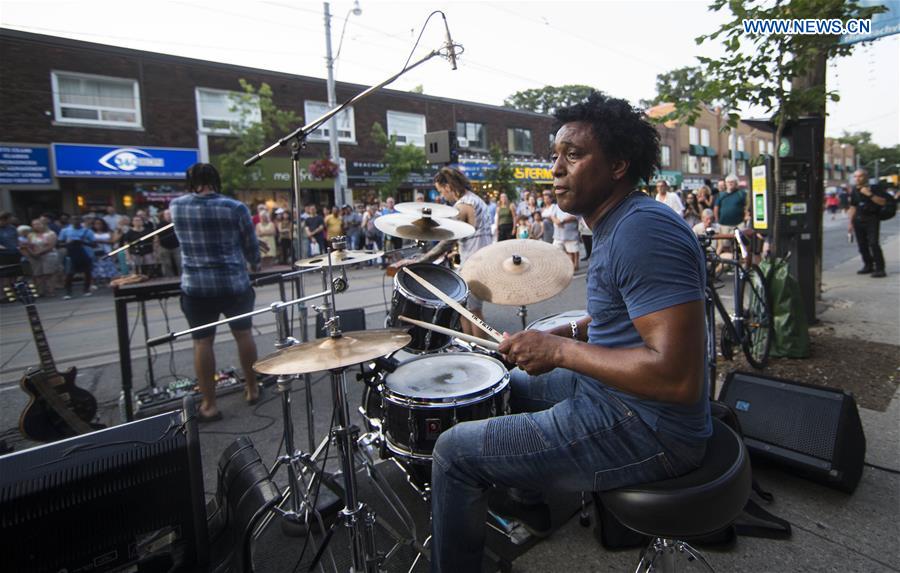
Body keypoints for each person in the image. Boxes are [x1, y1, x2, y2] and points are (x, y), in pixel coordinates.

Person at [430, 92, 709, 572]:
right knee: (505, 386)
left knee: (453, 453)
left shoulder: (642, 232)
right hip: (618, 394)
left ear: (618, 164)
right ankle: (531, 500)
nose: (555, 168)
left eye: (573, 155)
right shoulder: (618, 221)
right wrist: (577, 325)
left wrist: (559, 349)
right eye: (555, 155)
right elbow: (627, 320)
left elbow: (676, 378)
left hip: (651, 427)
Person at [170, 163, 261, 422]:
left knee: (202, 342)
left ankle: (209, 404)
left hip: (196, 287)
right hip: (233, 283)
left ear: (191, 182)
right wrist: (254, 260)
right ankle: (252, 388)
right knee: (243, 334)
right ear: (216, 180)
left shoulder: (176, 207)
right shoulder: (235, 208)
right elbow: (250, 247)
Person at [390, 167, 493, 337]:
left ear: (448, 186)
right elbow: (473, 234)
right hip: (480, 258)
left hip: (473, 264)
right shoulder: (476, 200)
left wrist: (423, 259)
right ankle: (472, 346)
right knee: (462, 310)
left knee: (473, 313)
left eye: (440, 191)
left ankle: (483, 351)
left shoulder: (463, 205)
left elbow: (448, 241)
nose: (443, 196)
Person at [848, 168, 887, 278]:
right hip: (858, 220)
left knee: (873, 243)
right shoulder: (854, 190)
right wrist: (850, 222)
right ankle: (868, 265)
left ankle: (880, 268)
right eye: (855, 176)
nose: (857, 179)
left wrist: (869, 194)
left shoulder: (875, 188)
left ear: (866, 177)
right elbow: (853, 206)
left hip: (872, 219)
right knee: (862, 245)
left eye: (860, 176)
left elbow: (882, 202)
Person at [58, 215, 96, 299]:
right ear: (71, 221)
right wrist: (69, 243)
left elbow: (94, 244)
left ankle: (86, 289)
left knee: (87, 272)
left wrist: (82, 242)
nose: (76, 221)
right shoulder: (65, 231)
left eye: (78, 219)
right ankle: (68, 292)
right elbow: (59, 244)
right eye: (74, 219)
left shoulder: (87, 231)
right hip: (71, 254)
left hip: (85, 253)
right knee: (69, 273)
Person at [21, 219, 59, 296]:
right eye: (34, 225)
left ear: (43, 224)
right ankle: (40, 291)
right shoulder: (31, 235)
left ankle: (51, 290)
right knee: (38, 274)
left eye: (38, 224)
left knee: (49, 273)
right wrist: (32, 253)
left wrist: (39, 252)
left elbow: (51, 245)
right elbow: (28, 245)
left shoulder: (51, 234)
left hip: (48, 255)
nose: (36, 226)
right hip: (35, 256)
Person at [549, 199, 581, 270]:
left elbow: (576, 216)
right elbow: (552, 215)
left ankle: (574, 265)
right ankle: (562, 266)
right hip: (558, 234)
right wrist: (556, 221)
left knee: (573, 251)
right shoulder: (556, 205)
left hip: (571, 234)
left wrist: (562, 221)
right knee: (555, 250)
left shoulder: (574, 204)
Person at [90, 218, 119, 285]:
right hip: (96, 252)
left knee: (108, 266)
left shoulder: (108, 232)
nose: (98, 225)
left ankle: (108, 281)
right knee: (96, 267)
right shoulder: (91, 232)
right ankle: (96, 282)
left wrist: (100, 241)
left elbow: (112, 241)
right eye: (96, 224)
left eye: (100, 223)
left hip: (107, 251)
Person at [157, 209, 181, 277]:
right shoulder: (160, 225)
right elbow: (157, 236)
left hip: (176, 246)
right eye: (167, 214)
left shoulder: (176, 223)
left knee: (179, 262)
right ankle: (169, 277)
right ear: (164, 216)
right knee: (167, 264)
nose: (169, 216)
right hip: (164, 247)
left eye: (170, 214)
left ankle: (180, 276)